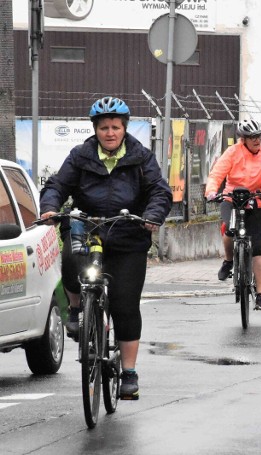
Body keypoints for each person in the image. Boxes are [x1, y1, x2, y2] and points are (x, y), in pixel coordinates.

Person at [40, 96, 173, 400]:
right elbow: (58, 186)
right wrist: (50, 207)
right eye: (103, 128)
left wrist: (152, 216)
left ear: (124, 128)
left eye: (115, 127)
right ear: (95, 129)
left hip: (128, 237)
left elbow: (159, 191)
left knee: (125, 306)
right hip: (88, 229)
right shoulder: (80, 156)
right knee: (72, 261)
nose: (109, 133)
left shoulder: (141, 158)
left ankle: (128, 372)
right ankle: (75, 309)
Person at [205, 119, 261, 310]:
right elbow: (217, 175)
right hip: (233, 199)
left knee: (258, 248)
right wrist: (211, 191)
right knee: (230, 230)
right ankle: (229, 261)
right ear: (243, 139)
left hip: (259, 201)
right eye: (252, 137)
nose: (257, 140)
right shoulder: (232, 152)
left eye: (259, 136)